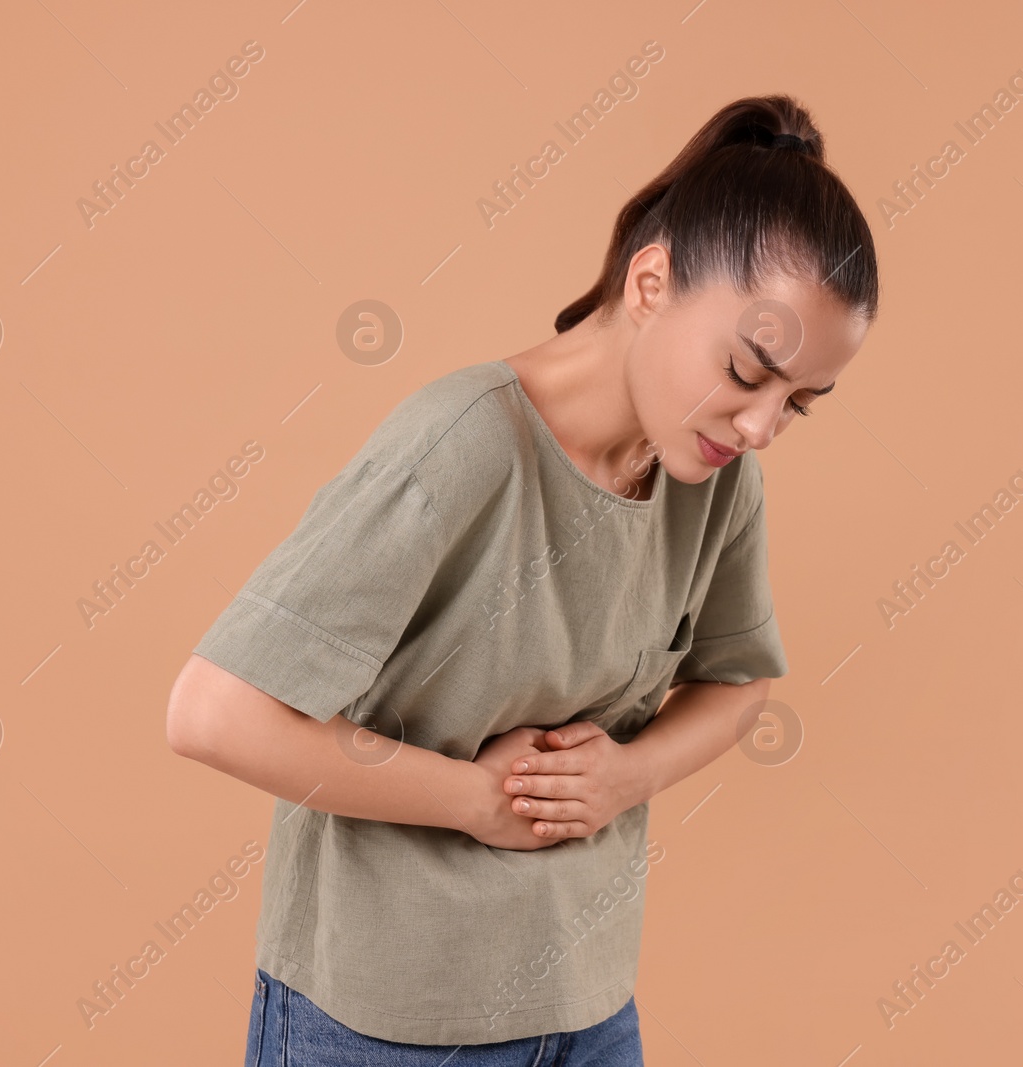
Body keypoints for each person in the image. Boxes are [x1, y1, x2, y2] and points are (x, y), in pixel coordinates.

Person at [164, 92, 877, 1065]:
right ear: (652, 282)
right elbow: (212, 712)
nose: (760, 425)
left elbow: (738, 679)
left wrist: (625, 775)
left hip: (586, 1005)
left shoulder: (712, 475)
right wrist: (472, 798)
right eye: (747, 371)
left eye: (800, 402)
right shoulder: (458, 448)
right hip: (387, 1023)